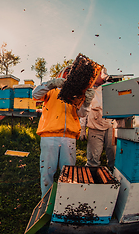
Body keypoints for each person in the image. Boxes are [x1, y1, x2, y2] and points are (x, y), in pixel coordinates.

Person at [32, 66, 95, 198]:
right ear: (61, 74)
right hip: (50, 137)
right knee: (46, 174)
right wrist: (51, 84)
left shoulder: (77, 94)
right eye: (66, 73)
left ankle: (65, 202)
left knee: (69, 174)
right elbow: (35, 95)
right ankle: (45, 202)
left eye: (71, 74)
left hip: (69, 138)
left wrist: (87, 102)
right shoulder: (51, 90)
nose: (68, 76)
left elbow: (82, 114)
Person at [79, 67, 116, 171]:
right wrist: (82, 128)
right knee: (92, 160)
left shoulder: (110, 86)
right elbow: (84, 109)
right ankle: (91, 180)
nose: (96, 76)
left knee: (114, 157)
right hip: (94, 127)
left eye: (98, 73)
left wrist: (106, 77)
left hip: (110, 126)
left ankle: (115, 180)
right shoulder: (88, 89)